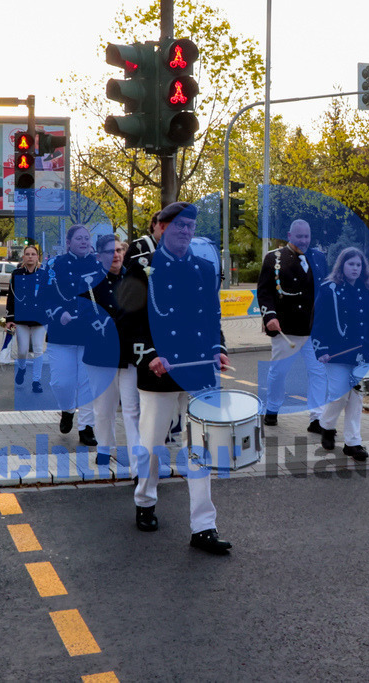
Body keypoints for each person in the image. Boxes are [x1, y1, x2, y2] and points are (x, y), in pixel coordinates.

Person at [118, 201, 232, 555]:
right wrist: (150, 355)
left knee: (199, 446)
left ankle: (204, 526)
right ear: (163, 228)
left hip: (198, 368)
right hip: (159, 370)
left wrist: (218, 347)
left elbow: (211, 315)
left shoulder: (203, 268)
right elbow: (128, 319)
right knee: (153, 444)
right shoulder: (142, 268)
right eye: (179, 225)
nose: (185, 231)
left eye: (190, 226)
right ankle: (145, 499)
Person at [256, 219, 329, 432]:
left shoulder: (319, 258)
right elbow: (264, 292)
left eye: (307, 236)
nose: (304, 240)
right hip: (286, 328)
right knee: (279, 372)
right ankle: (272, 408)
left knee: (318, 373)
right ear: (289, 236)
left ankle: (317, 418)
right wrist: (269, 316)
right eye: (299, 237)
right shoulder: (273, 258)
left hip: (314, 329)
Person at [311, 247, 369, 461]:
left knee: (356, 398)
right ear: (342, 265)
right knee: (340, 394)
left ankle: (353, 443)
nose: (355, 268)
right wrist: (321, 349)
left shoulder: (365, 289)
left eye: (358, 265)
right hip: (336, 351)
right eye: (351, 264)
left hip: (361, 352)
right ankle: (327, 426)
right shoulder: (329, 289)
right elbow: (318, 321)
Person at [83, 234, 139, 469]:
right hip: (101, 353)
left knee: (132, 409)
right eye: (109, 251)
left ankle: (137, 458)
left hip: (129, 353)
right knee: (104, 409)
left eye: (118, 250)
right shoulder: (89, 282)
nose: (115, 255)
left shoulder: (135, 278)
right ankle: (105, 450)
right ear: (99, 256)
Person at [44, 225, 99, 447]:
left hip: (89, 333)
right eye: (79, 238)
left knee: (87, 383)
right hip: (62, 333)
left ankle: (86, 427)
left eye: (86, 238)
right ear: (68, 242)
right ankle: (67, 409)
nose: (84, 242)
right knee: (61, 382)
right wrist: (59, 313)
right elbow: (45, 297)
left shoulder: (98, 265)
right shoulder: (54, 265)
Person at [5, 244, 49, 393]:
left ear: (37, 257)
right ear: (23, 257)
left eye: (33, 254)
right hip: (22, 317)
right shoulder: (16, 274)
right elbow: (11, 296)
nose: (30, 257)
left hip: (39, 318)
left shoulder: (44, 274)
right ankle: (22, 367)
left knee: (38, 349)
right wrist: (9, 318)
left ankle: (36, 381)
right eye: (27, 254)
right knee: (22, 350)